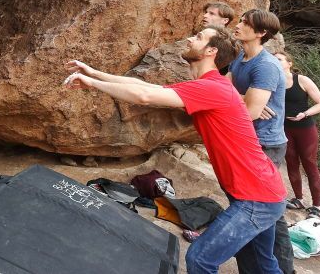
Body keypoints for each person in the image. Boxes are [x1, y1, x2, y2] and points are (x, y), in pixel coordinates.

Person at [64, 26, 287, 274]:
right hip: (260, 192)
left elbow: (143, 97)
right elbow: (149, 89)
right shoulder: (208, 86)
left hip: (257, 197)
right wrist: (95, 73)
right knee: (261, 266)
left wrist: (92, 82)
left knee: (201, 259)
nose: (190, 38)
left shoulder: (213, 88)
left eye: (199, 37)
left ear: (211, 51)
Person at [228, 8, 294, 274]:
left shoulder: (266, 66)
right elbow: (227, 92)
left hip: (265, 144)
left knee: (261, 213)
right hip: (249, 140)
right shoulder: (240, 58)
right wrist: (245, 99)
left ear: (261, 33)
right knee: (248, 209)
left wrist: (248, 102)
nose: (239, 24)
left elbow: (251, 112)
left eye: (245, 23)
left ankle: (283, 269)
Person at [275, 50, 320, 219]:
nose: (277, 61)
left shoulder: (302, 80)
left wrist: (305, 113)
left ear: (290, 63)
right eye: (274, 59)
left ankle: (316, 206)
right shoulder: (273, 81)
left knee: (309, 164)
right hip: (285, 129)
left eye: (280, 59)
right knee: (291, 163)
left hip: (305, 129)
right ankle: (298, 199)